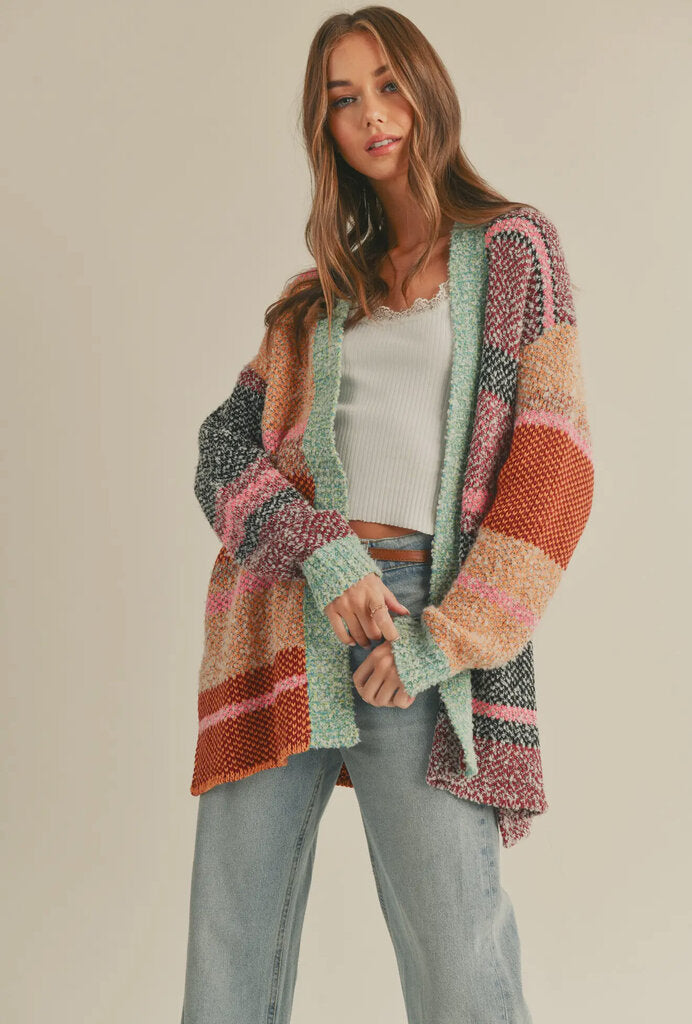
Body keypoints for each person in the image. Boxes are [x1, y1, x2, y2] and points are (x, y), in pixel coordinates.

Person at [180, 7, 594, 1023]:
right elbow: (221, 452)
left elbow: (555, 465)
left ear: (426, 90)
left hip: (418, 618)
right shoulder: (315, 301)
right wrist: (322, 556)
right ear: (322, 126)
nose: (370, 113)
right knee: (230, 955)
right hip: (280, 618)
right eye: (342, 98)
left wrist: (442, 641)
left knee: (458, 959)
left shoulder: (513, 252)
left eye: (387, 84)